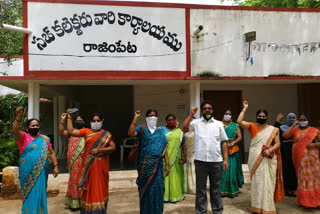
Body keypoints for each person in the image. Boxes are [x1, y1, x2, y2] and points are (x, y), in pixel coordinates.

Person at [182, 101, 229, 214]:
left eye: (209, 108)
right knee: (200, 189)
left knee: (216, 189)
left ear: (212, 110)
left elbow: (224, 142)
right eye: (205, 108)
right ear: (202, 111)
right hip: (200, 161)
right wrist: (191, 115)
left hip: (216, 161)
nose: (207, 110)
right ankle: (201, 211)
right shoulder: (196, 123)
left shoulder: (218, 124)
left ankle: (217, 211)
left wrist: (226, 159)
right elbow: (184, 128)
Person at [237, 101, 284, 214]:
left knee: (268, 182)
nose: (261, 117)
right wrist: (245, 108)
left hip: (268, 157)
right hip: (255, 157)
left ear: (267, 117)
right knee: (258, 182)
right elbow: (239, 121)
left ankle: (268, 207)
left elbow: (277, 143)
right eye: (259, 116)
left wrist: (269, 150)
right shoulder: (252, 126)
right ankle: (257, 206)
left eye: (263, 116)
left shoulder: (272, 129)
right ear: (256, 116)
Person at [66, 112, 116, 214]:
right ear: (90, 122)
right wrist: (69, 117)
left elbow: (112, 147)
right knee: (89, 188)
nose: (96, 122)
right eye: (94, 121)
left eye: (98, 120)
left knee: (99, 188)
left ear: (102, 122)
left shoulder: (106, 134)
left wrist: (99, 150)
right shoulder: (86, 131)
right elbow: (70, 131)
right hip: (88, 167)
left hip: (101, 166)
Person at [13, 107, 59, 214]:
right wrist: (18, 117)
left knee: (40, 193)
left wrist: (56, 166)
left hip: (41, 172)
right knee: (29, 195)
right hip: (26, 173)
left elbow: (51, 152)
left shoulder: (44, 139)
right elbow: (15, 130)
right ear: (27, 128)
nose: (35, 127)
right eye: (32, 125)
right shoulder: (23, 137)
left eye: (37, 125)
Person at [128, 109, 170, 214]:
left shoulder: (160, 131)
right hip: (144, 166)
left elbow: (164, 149)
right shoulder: (141, 128)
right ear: (146, 118)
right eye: (150, 116)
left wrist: (167, 164)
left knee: (158, 189)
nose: (152, 118)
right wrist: (136, 118)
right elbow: (131, 133)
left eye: (154, 116)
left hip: (158, 166)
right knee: (146, 190)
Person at [282, 113, 320, 207]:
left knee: (315, 178)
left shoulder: (314, 130)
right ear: (298, 121)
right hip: (300, 158)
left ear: (308, 120)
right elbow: (284, 135)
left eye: (304, 119)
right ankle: (306, 201)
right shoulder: (295, 130)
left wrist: (313, 145)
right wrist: (294, 125)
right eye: (301, 120)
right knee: (303, 179)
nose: (303, 121)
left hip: (313, 157)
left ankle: (317, 200)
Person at [59, 113, 86, 210]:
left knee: (83, 181)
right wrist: (63, 120)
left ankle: (84, 202)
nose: (79, 122)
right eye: (77, 121)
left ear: (84, 122)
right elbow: (61, 132)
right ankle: (74, 203)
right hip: (73, 161)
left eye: (81, 120)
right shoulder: (72, 131)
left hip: (83, 160)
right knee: (74, 180)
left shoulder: (87, 132)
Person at [161, 114, 187, 202]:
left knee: (176, 176)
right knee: (166, 174)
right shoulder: (162, 130)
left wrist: (185, 156)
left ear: (175, 121)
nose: (171, 121)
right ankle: (165, 196)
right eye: (169, 119)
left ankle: (176, 195)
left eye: (172, 119)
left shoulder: (180, 132)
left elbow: (183, 144)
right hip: (164, 157)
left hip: (176, 157)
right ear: (166, 121)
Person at [220, 109, 243, 198]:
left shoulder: (235, 125)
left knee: (232, 168)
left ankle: (232, 189)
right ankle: (222, 189)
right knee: (222, 169)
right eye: (226, 114)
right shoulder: (219, 125)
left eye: (229, 114)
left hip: (232, 150)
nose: (227, 115)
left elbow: (240, 137)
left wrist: (234, 142)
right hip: (221, 148)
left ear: (231, 116)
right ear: (223, 115)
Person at [274, 113, 297, 196]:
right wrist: (278, 119)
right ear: (287, 119)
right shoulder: (282, 127)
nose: (292, 119)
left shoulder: (298, 128)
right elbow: (275, 130)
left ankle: (294, 188)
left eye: (294, 117)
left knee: (294, 169)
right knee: (286, 169)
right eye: (290, 117)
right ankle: (287, 189)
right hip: (285, 151)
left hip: (295, 150)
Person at [184, 130, 196, 195]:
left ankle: (190, 188)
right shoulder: (191, 134)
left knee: (190, 170)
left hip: (191, 155)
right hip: (193, 154)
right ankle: (193, 188)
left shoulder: (186, 134)